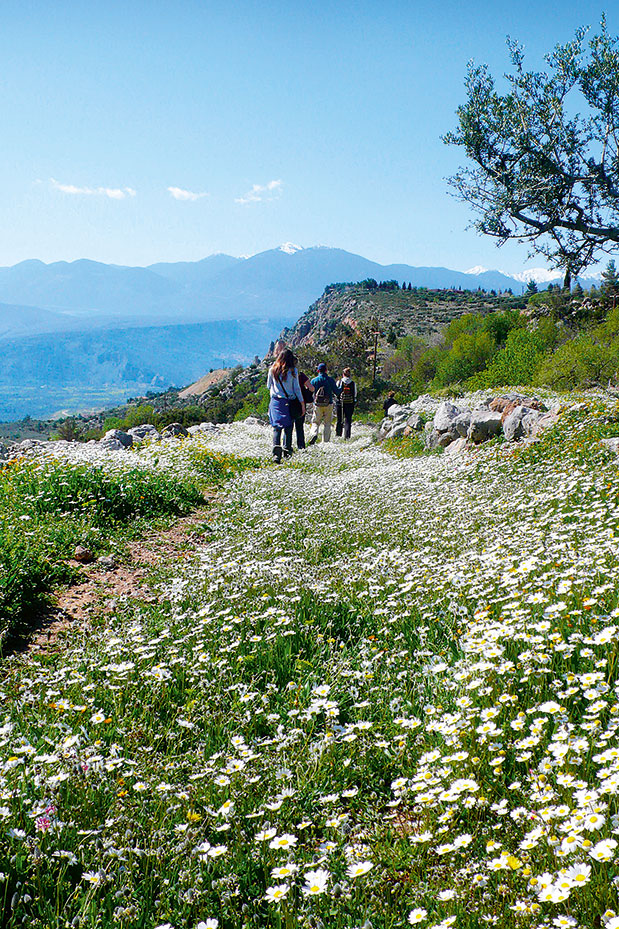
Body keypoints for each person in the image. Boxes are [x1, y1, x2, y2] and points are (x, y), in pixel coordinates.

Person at [267, 349, 305, 462]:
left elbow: (269, 386)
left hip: (276, 402)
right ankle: (287, 451)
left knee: (276, 427)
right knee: (288, 427)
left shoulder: (272, 370)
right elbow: (297, 389)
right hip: (290, 401)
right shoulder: (293, 371)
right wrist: (302, 403)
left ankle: (276, 454)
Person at [308, 362, 340, 445]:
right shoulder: (330, 380)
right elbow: (337, 392)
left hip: (317, 404)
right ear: (326, 370)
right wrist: (342, 387)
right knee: (327, 423)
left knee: (315, 422)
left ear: (318, 370)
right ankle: (325, 442)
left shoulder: (314, 380)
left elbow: (310, 392)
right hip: (328, 403)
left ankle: (313, 434)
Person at [295, 367, 314, 449]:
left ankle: (287, 446)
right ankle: (301, 446)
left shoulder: (285, 374)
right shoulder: (301, 375)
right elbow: (311, 388)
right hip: (301, 402)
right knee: (299, 426)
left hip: (289, 401)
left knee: (288, 426)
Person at [336, 367, 357, 440]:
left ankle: (338, 435)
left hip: (340, 403)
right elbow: (355, 394)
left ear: (343, 374)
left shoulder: (339, 382)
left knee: (339, 419)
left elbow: (336, 392)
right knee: (348, 419)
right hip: (350, 403)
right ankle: (347, 436)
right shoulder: (353, 383)